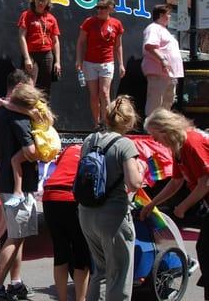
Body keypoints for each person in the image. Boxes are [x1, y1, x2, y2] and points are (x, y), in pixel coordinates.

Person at [78, 95, 144, 301]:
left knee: (101, 271)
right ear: (130, 121)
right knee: (120, 273)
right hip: (113, 217)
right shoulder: (125, 145)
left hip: (86, 213)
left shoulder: (90, 140)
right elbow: (134, 183)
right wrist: (140, 169)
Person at [141, 108, 209, 300]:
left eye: (155, 136)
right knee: (204, 249)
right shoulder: (178, 148)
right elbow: (176, 182)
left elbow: (205, 183)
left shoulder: (192, 143)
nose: (154, 141)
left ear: (165, 130)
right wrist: (151, 204)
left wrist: (183, 206)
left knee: (205, 248)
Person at [0, 69, 38, 301]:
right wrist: (40, 149)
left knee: (18, 234)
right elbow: (30, 150)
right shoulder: (16, 115)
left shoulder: (2, 110)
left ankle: (15, 282)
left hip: (9, 181)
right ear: (18, 88)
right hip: (18, 186)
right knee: (14, 237)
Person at [42, 144, 90, 301]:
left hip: (50, 196)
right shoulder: (96, 149)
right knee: (81, 252)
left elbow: (60, 166)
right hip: (71, 196)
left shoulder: (70, 148)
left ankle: (62, 299)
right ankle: (81, 299)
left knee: (60, 251)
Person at [76, 0, 125, 131]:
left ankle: (106, 123)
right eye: (98, 8)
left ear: (110, 8)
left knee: (104, 92)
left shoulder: (116, 24)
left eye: (103, 8)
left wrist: (121, 64)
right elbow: (81, 42)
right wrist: (78, 60)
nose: (100, 10)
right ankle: (97, 123)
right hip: (90, 62)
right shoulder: (89, 22)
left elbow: (118, 45)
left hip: (107, 62)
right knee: (94, 95)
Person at [17, 0, 61, 97]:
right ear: (34, 0)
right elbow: (22, 36)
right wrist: (27, 58)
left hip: (47, 55)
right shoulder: (26, 15)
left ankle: (42, 112)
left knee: (45, 87)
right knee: (29, 85)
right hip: (31, 54)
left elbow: (55, 41)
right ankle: (27, 112)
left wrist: (57, 62)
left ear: (48, 2)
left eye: (43, 0)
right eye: (38, 0)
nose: (40, 3)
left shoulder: (51, 19)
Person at [141, 4, 183, 117]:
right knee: (155, 102)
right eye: (168, 14)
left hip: (170, 74)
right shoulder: (153, 28)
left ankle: (162, 128)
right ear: (161, 15)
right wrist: (163, 60)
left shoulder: (165, 30)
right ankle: (151, 130)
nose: (170, 16)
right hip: (158, 72)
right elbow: (150, 46)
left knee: (167, 104)